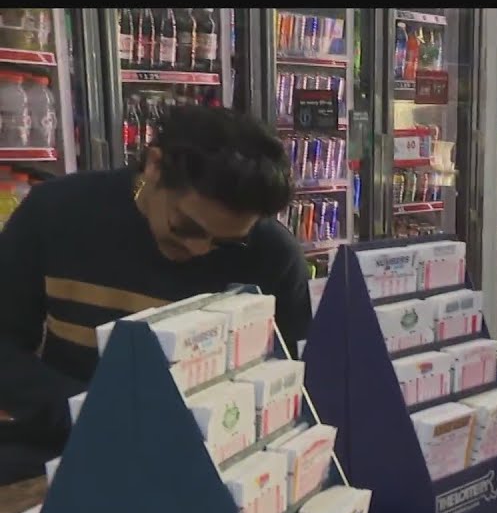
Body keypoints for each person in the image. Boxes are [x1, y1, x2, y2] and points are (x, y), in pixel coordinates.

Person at [0, 105, 310, 484]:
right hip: (62, 440)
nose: (199, 250)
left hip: (204, 466)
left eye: (226, 243)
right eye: (186, 226)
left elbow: (285, 392)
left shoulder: (271, 256)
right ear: (154, 165)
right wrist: (90, 410)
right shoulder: (56, 212)